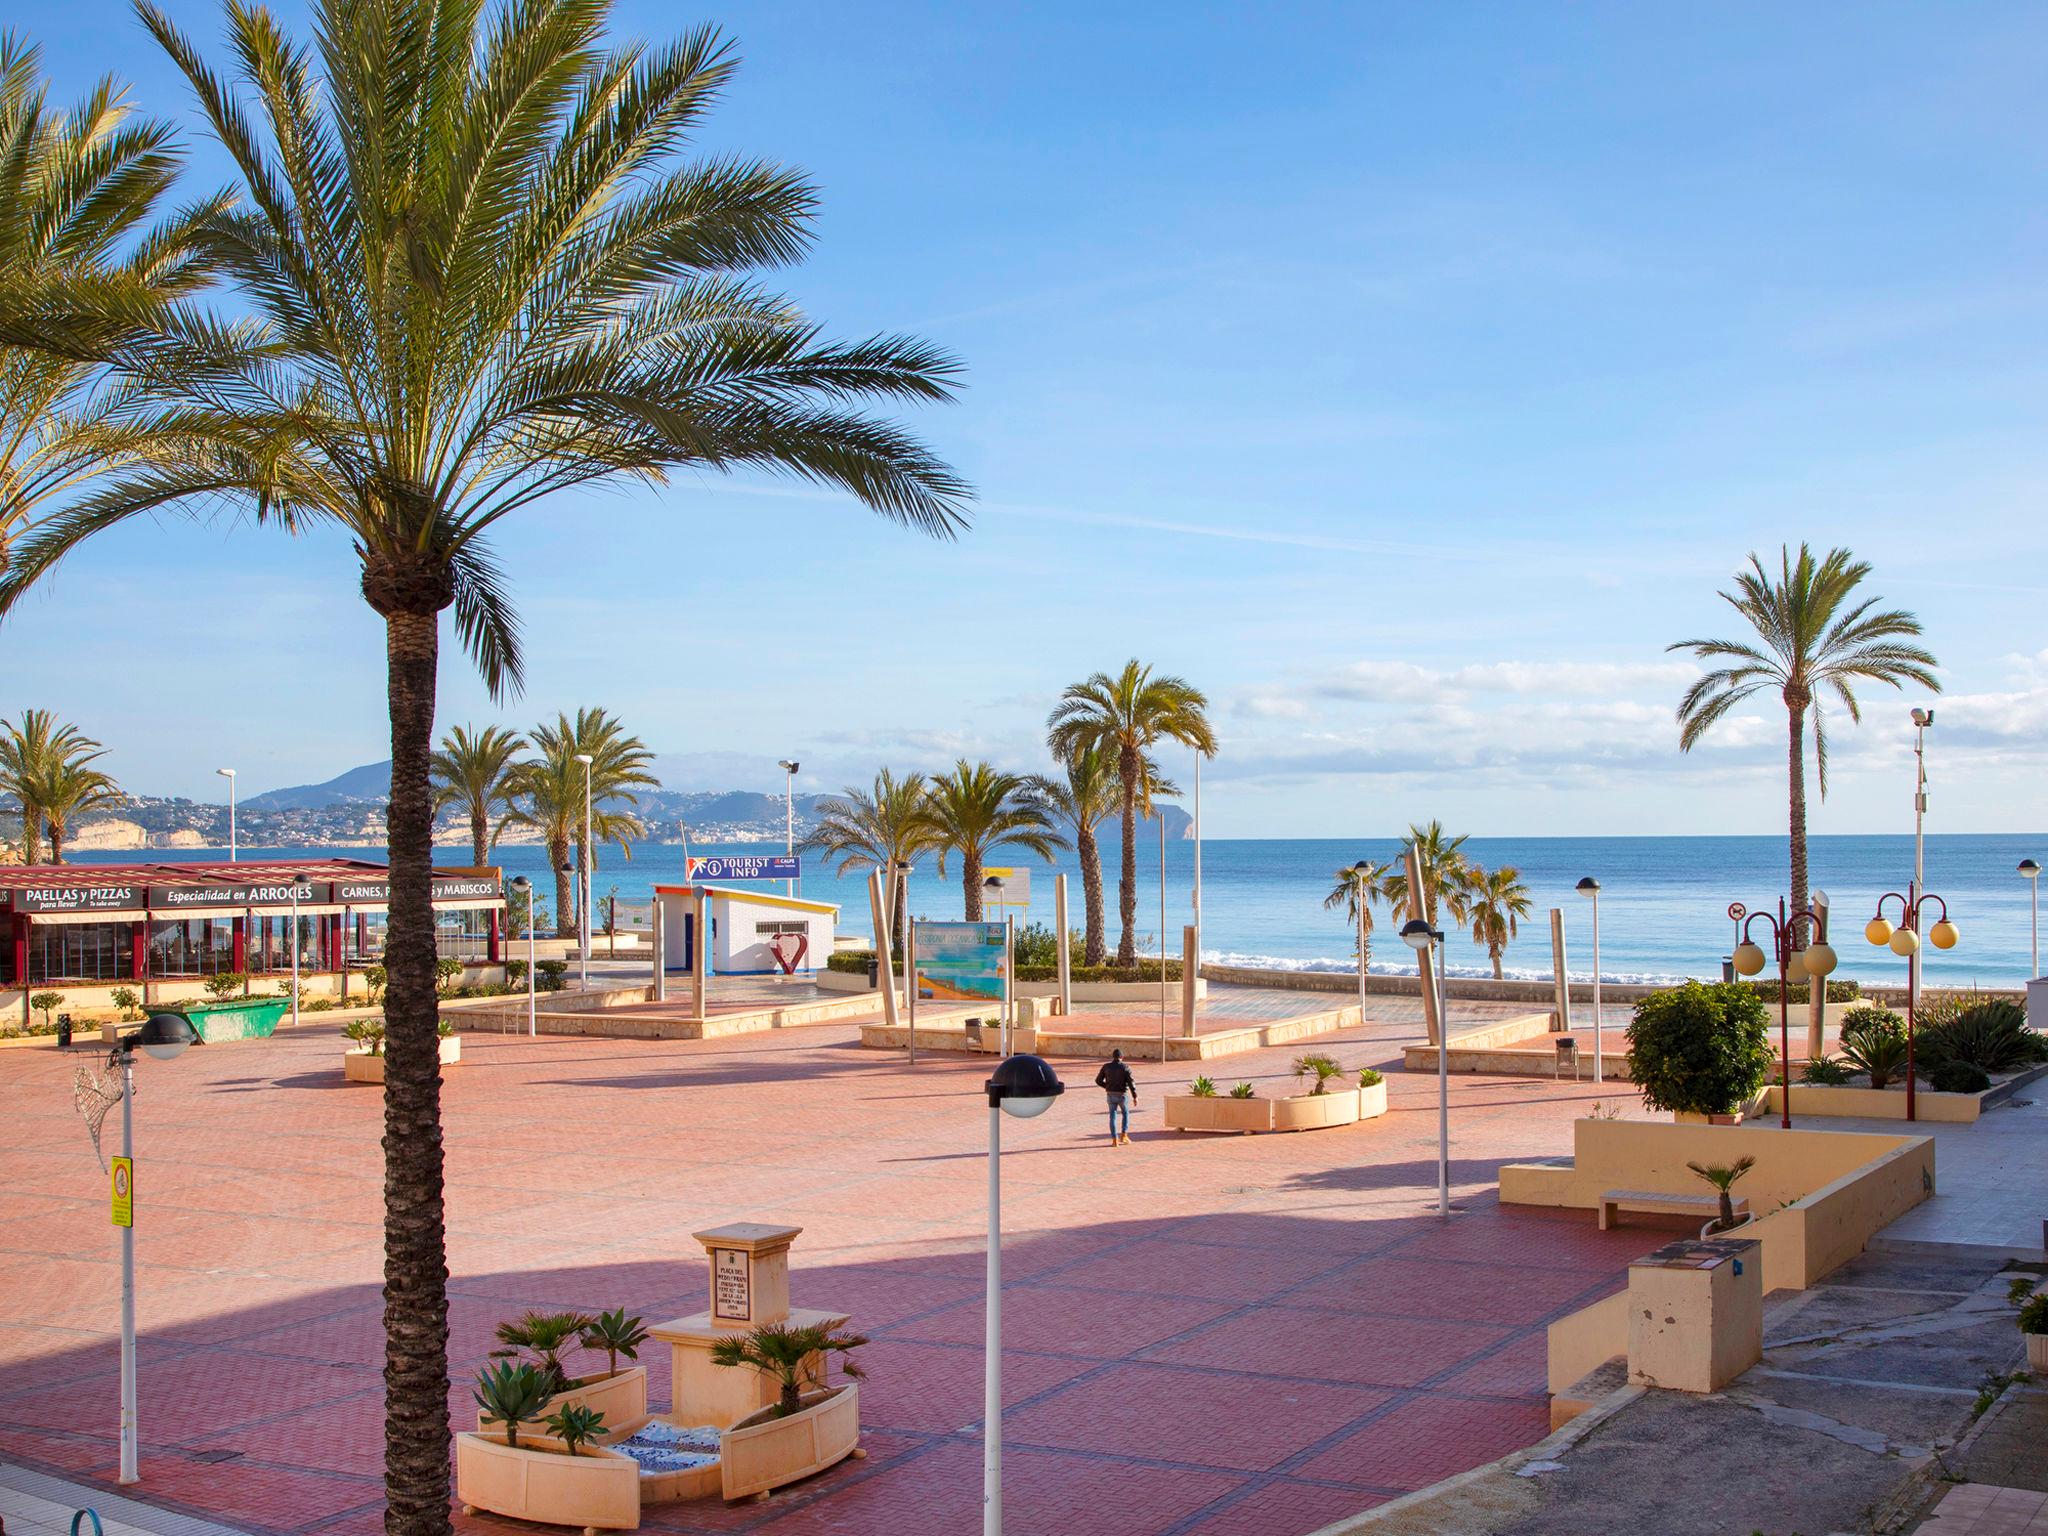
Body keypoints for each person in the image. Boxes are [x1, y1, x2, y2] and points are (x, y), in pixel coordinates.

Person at [1094, 1048, 1137, 1146]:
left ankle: (1114, 1140)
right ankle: (1124, 1135)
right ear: (1122, 1057)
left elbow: (1098, 1080)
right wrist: (1135, 1096)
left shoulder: (1106, 1066)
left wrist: (1107, 1086)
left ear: (1113, 1057)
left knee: (1112, 1117)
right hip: (1122, 1095)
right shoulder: (1125, 1067)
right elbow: (1131, 1083)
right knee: (1125, 1114)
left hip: (1110, 1094)